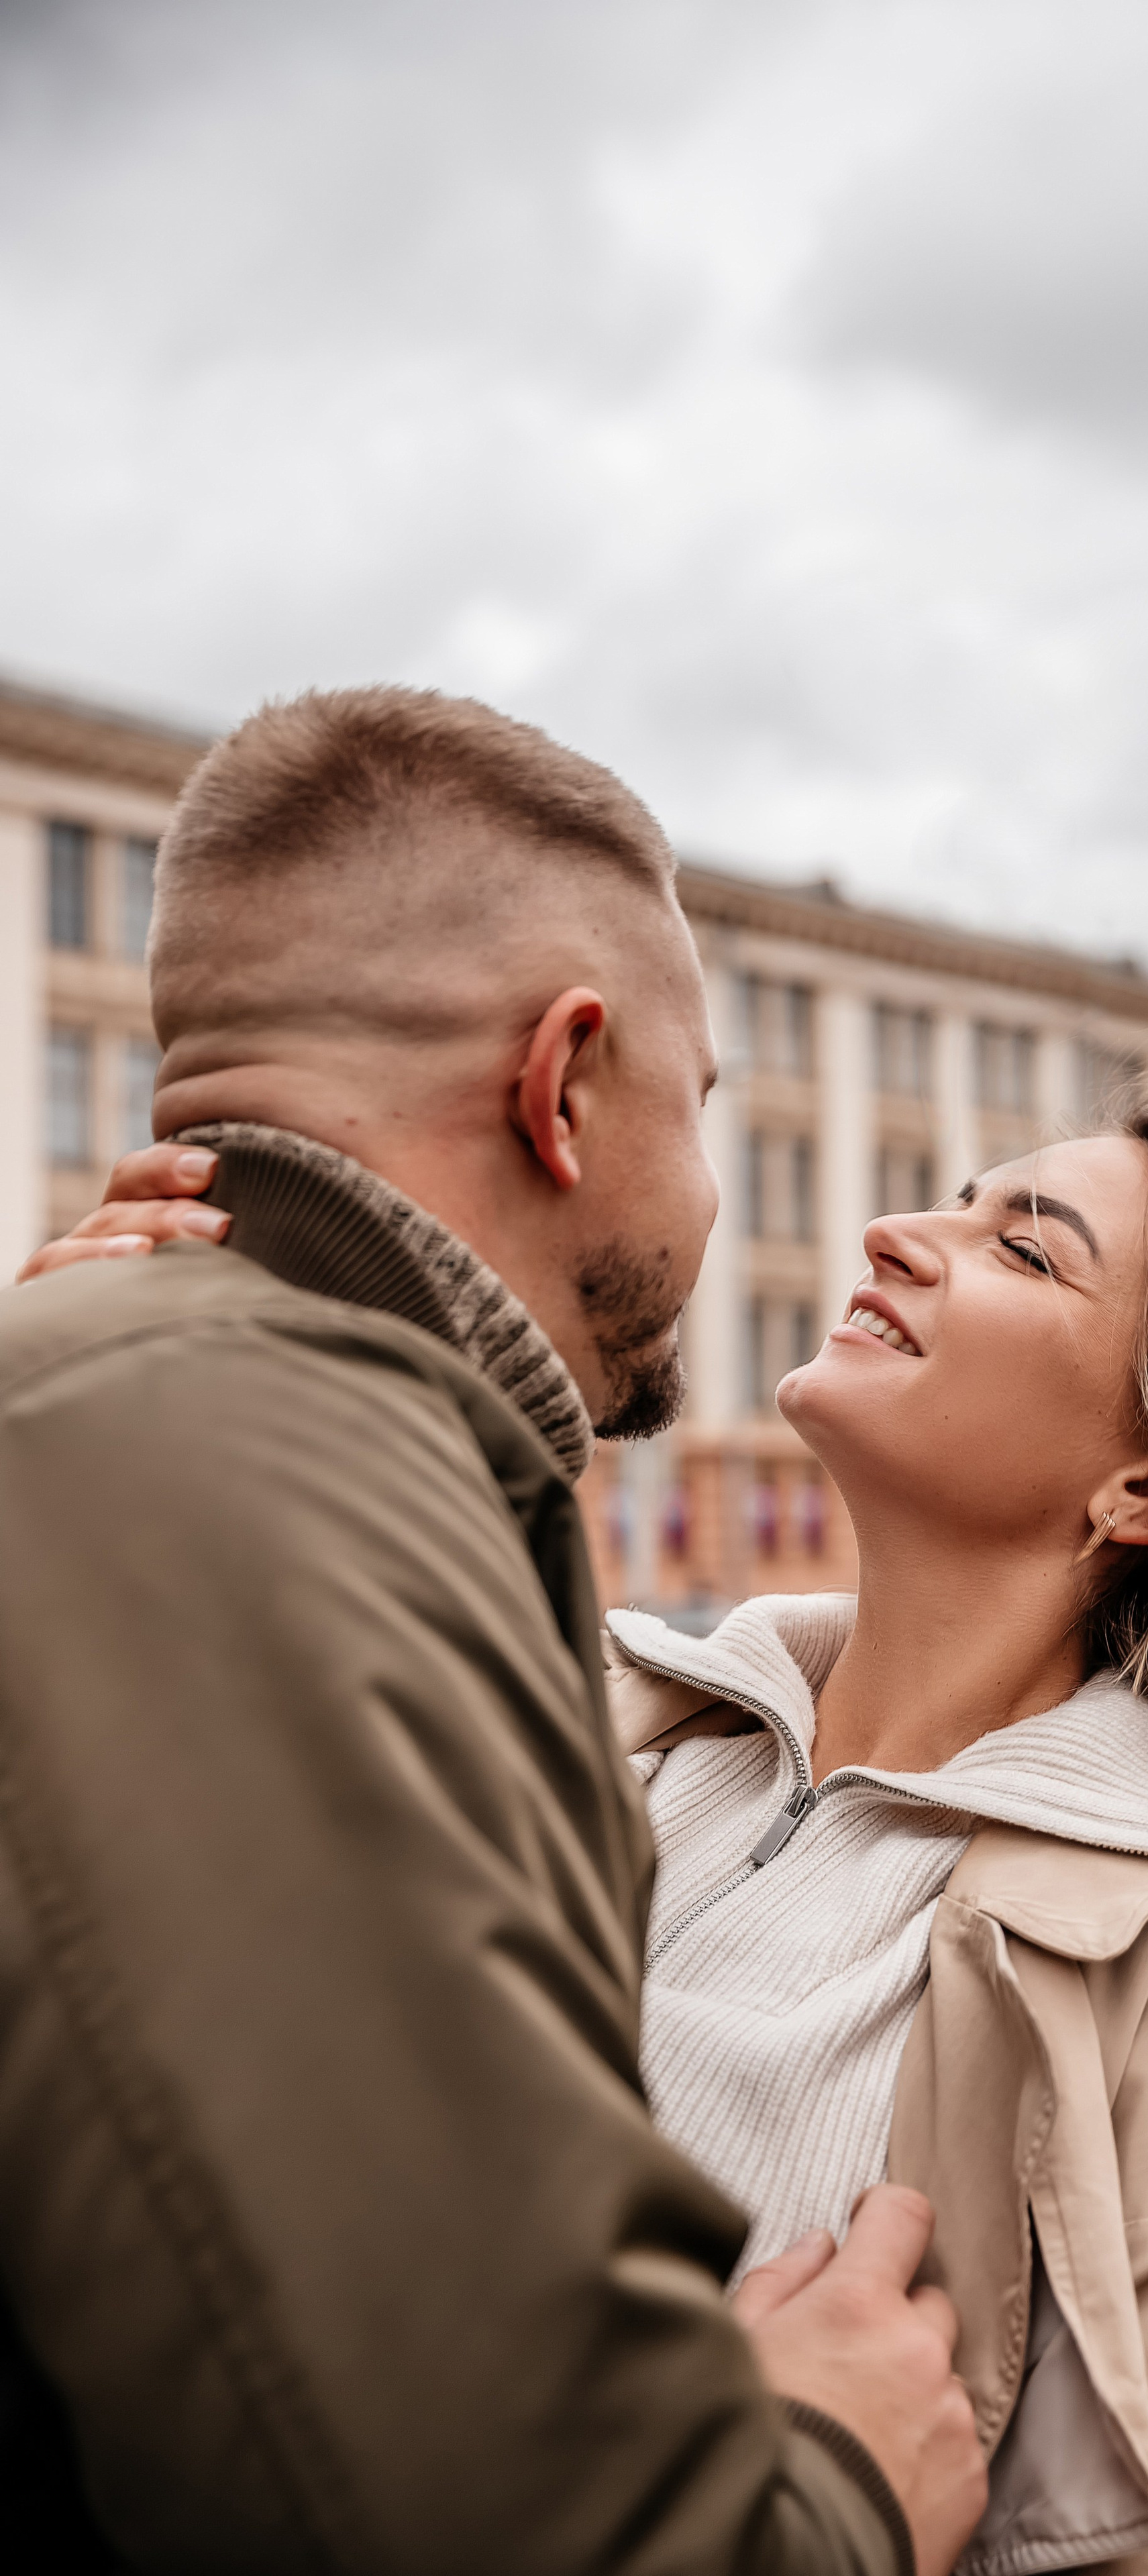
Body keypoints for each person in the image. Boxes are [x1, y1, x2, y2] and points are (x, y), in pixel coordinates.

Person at [60, 1100, 1148, 2576]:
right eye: (957, 1197)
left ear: (1144, 1484)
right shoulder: (579, 1734)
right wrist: (77, 1408)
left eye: (1021, 1245)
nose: (892, 1234)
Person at [0, 687, 984, 2576]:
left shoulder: (194, 1427)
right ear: (565, 1084)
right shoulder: (251, 1489)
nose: (720, 1202)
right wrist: (830, 2481)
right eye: (700, 1117)